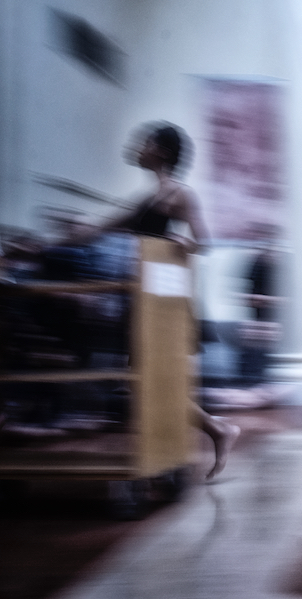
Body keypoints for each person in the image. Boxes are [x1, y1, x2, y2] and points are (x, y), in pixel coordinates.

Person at [66, 122, 240, 478]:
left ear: (162, 151)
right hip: (140, 300)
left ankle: (209, 433)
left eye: (146, 142)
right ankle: (215, 430)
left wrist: (185, 244)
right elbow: (109, 226)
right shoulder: (150, 198)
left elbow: (202, 241)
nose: (138, 147)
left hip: (160, 305)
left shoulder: (179, 194)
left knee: (150, 377)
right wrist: (80, 230)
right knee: (145, 378)